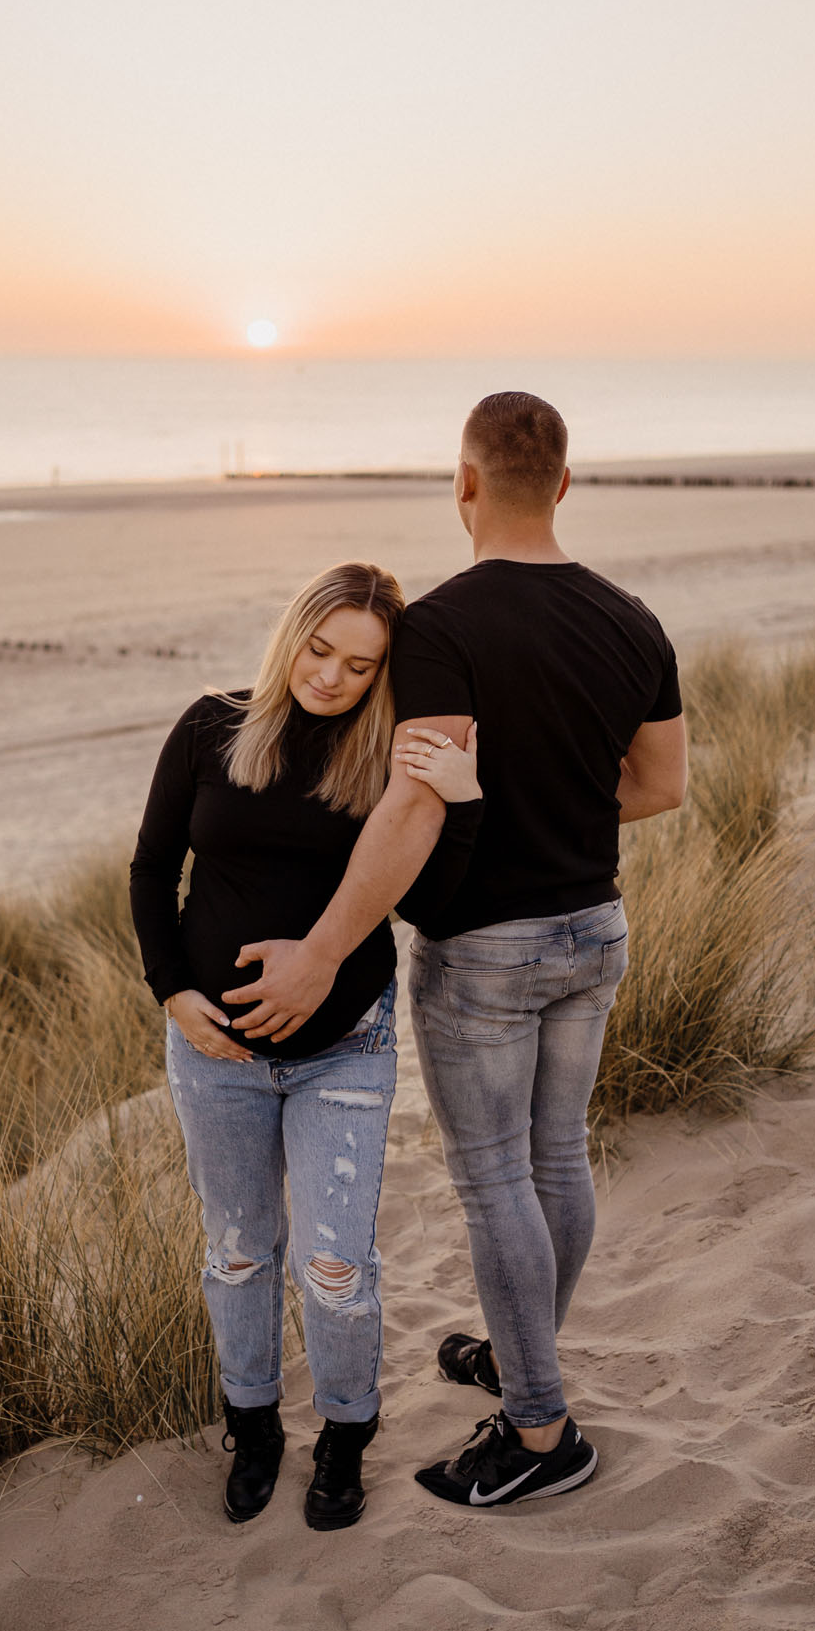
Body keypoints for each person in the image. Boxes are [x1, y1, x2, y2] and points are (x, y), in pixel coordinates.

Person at [222, 393, 686, 1510]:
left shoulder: (440, 627)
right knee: (555, 1162)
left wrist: (325, 951)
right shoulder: (632, 620)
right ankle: (521, 1353)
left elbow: (414, 806)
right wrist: (557, 817)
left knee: (493, 1184)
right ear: (563, 485)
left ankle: (536, 1431)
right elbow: (660, 787)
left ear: (463, 484)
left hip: (486, 949)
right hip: (594, 930)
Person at [129, 561, 481, 1530]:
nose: (329, 677)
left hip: (344, 1049)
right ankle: (252, 1428)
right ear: (292, 635)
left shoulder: (388, 764)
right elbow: (154, 867)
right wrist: (171, 993)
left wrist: (461, 802)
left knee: (335, 1267)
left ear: (383, 675)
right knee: (238, 1253)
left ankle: (342, 1437)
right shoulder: (212, 722)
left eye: (359, 666)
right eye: (319, 650)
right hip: (215, 1053)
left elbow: (433, 905)